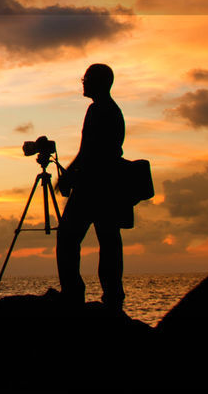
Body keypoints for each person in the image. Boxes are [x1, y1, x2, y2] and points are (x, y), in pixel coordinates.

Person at [56, 63, 132, 311]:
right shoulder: (110, 110)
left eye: (86, 78)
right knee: (109, 241)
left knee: (68, 238)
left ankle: (74, 295)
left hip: (94, 188)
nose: (83, 82)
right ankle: (113, 298)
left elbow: (89, 151)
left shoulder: (99, 110)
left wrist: (69, 176)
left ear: (99, 82)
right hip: (107, 187)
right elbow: (90, 150)